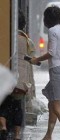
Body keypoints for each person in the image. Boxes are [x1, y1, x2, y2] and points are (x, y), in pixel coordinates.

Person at [30, 6, 60, 140]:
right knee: (53, 103)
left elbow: (52, 52)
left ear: (48, 19)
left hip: (58, 71)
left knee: (57, 107)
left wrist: (36, 59)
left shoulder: (52, 31)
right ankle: (48, 135)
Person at [0, 10, 34, 140]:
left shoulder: (6, 37)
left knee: (4, 104)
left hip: (6, 77)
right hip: (21, 79)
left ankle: (3, 126)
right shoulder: (27, 41)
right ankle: (18, 134)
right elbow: (32, 58)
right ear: (23, 24)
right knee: (17, 107)